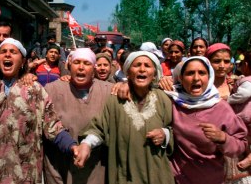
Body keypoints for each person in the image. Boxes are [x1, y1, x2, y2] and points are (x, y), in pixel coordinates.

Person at [0, 39, 77, 183]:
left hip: (21, 175)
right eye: (3, 52)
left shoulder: (35, 91)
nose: (7, 55)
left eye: (13, 52)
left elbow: (53, 126)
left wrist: (72, 146)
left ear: (23, 61)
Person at [75, 51, 175, 184]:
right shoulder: (115, 99)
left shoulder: (164, 99)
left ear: (155, 73)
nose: (142, 69)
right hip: (123, 175)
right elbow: (100, 127)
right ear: (128, 72)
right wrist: (86, 144)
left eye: (147, 66)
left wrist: (165, 134)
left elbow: (177, 131)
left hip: (156, 174)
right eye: (137, 65)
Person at [164, 56, 247, 184]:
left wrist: (223, 138)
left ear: (209, 77)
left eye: (202, 73)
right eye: (190, 73)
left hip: (211, 178)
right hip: (176, 178)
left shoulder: (222, 108)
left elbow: (241, 145)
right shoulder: (172, 102)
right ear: (180, 78)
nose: (196, 78)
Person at [43, 48, 113, 184]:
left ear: (94, 69)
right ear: (69, 66)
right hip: (59, 166)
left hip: (96, 168)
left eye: (86, 63)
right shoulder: (52, 89)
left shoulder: (109, 91)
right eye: (77, 62)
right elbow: (47, 124)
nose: (81, 67)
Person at [225, 50, 251, 183]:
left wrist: (229, 99)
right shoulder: (243, 79)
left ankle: (249, 158)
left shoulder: (248, 81)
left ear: (246, 64)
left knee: (247, 139)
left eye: (240, 65)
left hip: (246, 117)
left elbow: (244, 94)